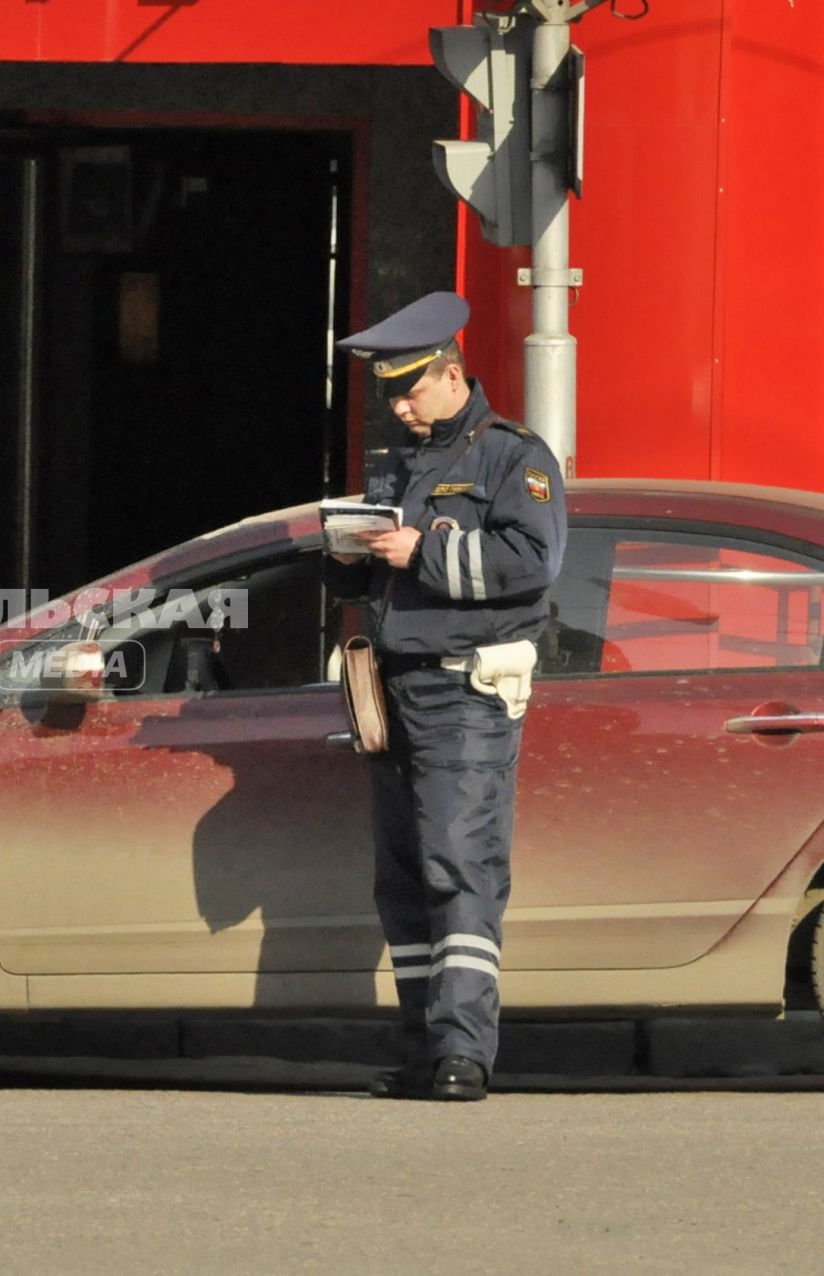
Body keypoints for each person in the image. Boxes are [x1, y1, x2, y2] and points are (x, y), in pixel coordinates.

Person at [327, 292, 567, 1102]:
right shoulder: (403, 459)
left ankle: (465, 1053)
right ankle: (426, 1049)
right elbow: (380, 569)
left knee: (459, 869)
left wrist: (418, 548)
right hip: (397, 694)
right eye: (390, 392)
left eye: (409, 389)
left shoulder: (514, 458)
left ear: (452, 373)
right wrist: (351, 556)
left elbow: (530, 563)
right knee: (402, 883)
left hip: (467, 693)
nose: (398, 405)